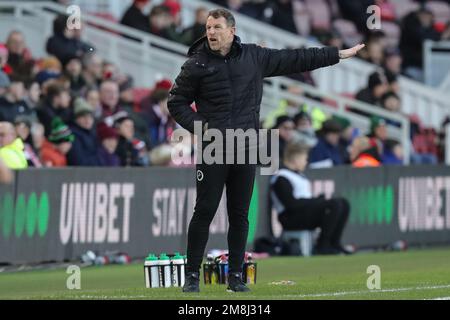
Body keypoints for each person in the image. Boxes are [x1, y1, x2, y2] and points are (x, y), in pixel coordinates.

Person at [167, 8, 364, 293]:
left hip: (248, 145)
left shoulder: (254, 57)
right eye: (208, 27)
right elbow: (176, 102)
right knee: (205, 211)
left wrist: (337, 54)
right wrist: (200, 126)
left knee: (240, 214)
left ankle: (235, 277)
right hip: (214, 147)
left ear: (231, 30)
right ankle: (192, 277)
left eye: (217, 27)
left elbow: (297, 58)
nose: (210, 32)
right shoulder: (195, 65)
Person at [270, 142, 351, 255]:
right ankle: (322, 245)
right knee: (334, 204)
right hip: (290, 218)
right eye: (305, 158)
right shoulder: (281, 177)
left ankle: (334, 243)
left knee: (343, 203)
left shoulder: (299, 175)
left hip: (304, 213)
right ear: (295, 158)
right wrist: (316, 202)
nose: (306, 162)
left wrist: (317, 201)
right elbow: (291, 204)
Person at [67, 98, 101, 166]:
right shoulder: (72, 135)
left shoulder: (93, 133)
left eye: (90, 117)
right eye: (83, 117)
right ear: (76, 119)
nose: (87, 120)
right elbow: (78, 160)